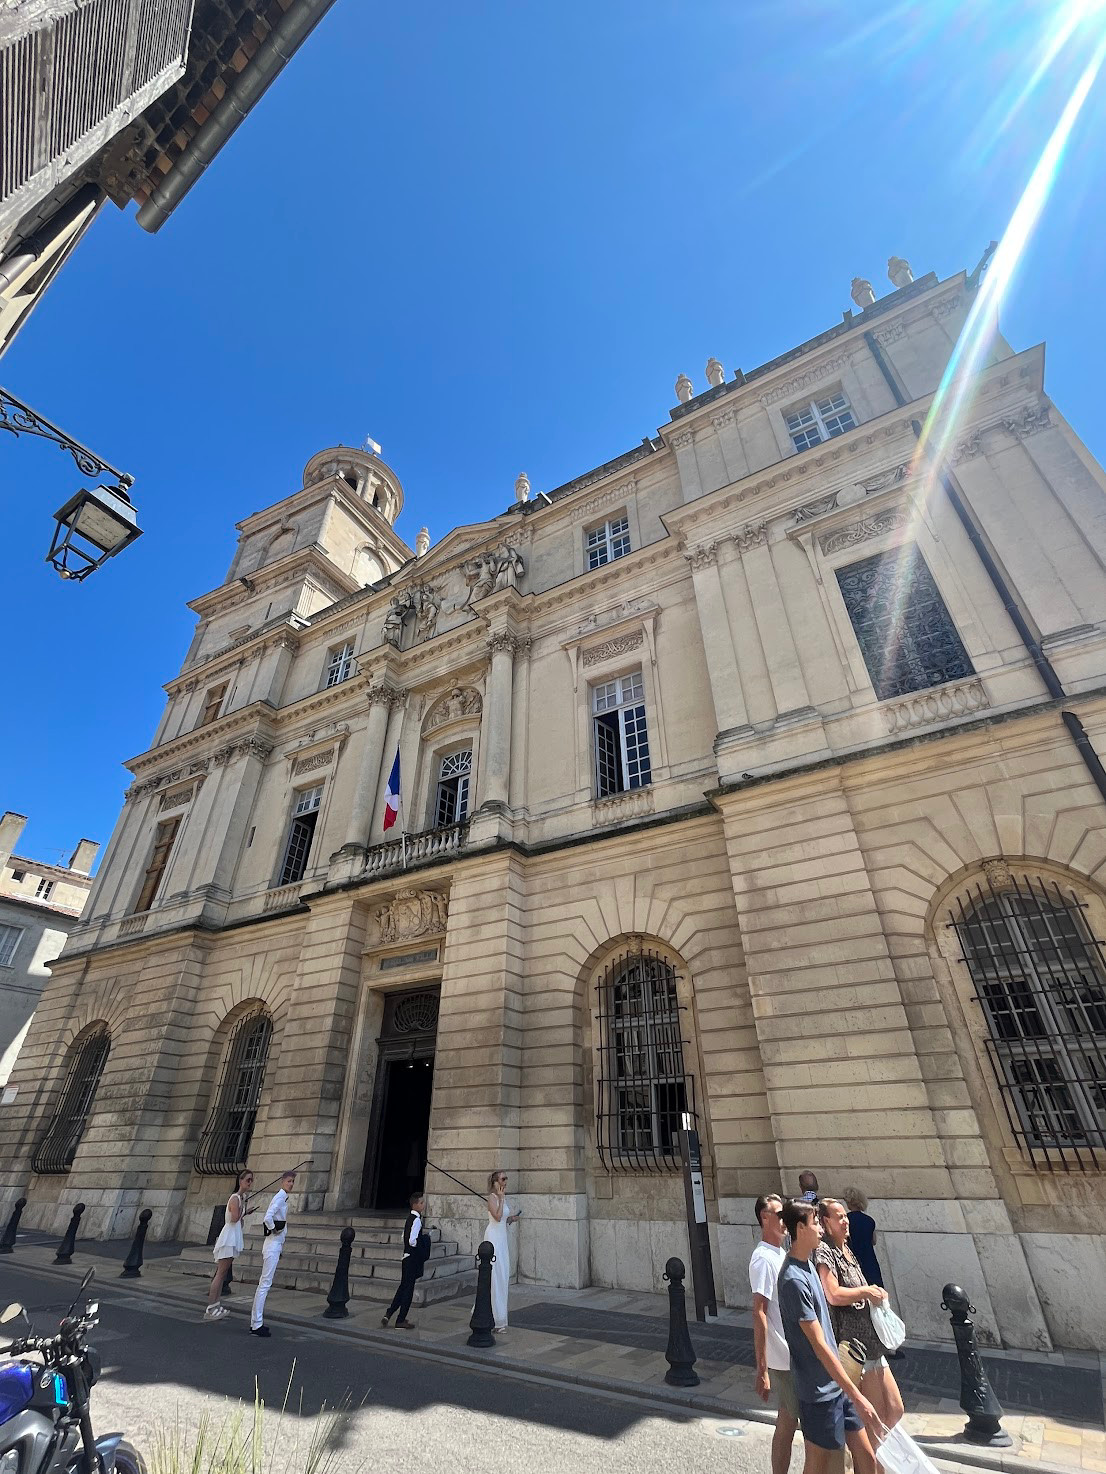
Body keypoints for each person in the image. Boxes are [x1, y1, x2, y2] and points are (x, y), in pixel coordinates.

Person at [777, 1197, 880, 1474]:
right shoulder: (793, 1281)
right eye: (814, 1224)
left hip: (836, 1385)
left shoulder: (808, 1264)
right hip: (818, 1391)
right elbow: (819, 1345)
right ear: (800, 1228)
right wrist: (857, 1395)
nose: (820, 1230)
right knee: (818, 1465)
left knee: (866, 1457)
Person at [815, 1198, 905, 1439]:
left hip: (874, 1344)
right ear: (826, 1222)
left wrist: (874, 1295)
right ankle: (870, 1461)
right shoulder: (825, 1251)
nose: (845, 1221)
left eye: (845, 1216)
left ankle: (871, 1456)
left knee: (895, 1410)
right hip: (856, 1347)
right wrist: (866, 1291)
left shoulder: (847, 1248)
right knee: (874, 1417)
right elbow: (832, 1293)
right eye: (839, 1217)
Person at [749, 1193, 799, 1474]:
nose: (785, 1220)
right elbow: (759, 1312)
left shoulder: (780, 1253)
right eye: (779, 1214)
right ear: (764, 1218)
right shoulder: (763, 1260)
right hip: (783, 1357)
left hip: (793, 1353)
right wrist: (762, 1368)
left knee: (788, 1420)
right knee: (791, 1421)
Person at [250, 1169, 296, 1338]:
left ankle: (256, 1322)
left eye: (292, 1181)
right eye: (289, 1181)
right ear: (282, 1181)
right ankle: (256, 1324)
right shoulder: (279, 1197)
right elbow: (267, 1217)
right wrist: (274, 1230)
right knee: (264, 1285)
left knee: (264, 1284)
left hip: (275, 1245)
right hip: (272, 1245)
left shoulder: (282, 1197)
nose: (291, 1184)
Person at [205, 1169, 252, 1321]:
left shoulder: (239, 1199)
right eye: (248, 1180)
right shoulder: (235, 1198)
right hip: (229, 1238)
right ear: (240, 1181)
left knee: (223, 1273)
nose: (250, 1183)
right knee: (220, 1274)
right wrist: (244, 1210)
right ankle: (211, 1308)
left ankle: (216, 1304)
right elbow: (234, 1218)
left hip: (233, 1237)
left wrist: (244, 1210)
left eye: (251, 1181)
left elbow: (239, 1221)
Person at [382, 1190, 427, 1330]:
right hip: (412, 1258)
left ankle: (389, 1313)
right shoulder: (417, 1220)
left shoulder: (409, 1219)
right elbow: (412, 1240)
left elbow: (403, 1237)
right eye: (421, 1202)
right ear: (415, 1205)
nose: (423, 1205)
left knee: (403, 1287)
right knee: (408, 1290)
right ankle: (400, 1319)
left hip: (405, 1256)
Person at [484, 1168, 520, 1332]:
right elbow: (497, 1217)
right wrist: (501, 1198)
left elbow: (503, 1219)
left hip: (502, 1238)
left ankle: (498, 1316)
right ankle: (495, 1319)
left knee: (503, 1275)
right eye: (503, 1179)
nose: (505, 1182)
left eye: (506, 1179)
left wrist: (511, 1218)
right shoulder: (492, 1198)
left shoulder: (502, 1198)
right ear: (495, 1182)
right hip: (493, 1239)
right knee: (495, 1276)